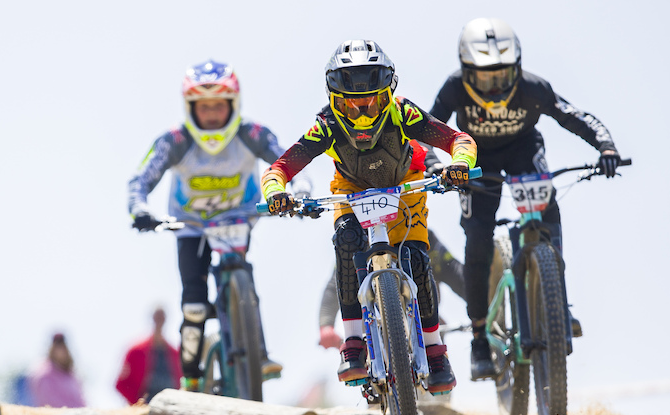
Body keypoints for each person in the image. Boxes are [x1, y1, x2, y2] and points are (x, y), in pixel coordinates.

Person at [263, 40, 476, 394]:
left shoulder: (403, 112)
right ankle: (353, 344)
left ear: (387, 94)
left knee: (417, 258)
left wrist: (459, 164)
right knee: (347, 245)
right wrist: (276, 194)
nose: (363, 112)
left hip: (404, 184)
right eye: (352, 102)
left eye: (372, 100)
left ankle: (436, 350)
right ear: (335, 98)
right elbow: (280, 168)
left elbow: (459, 140)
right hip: (350, 188)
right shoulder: (326, 124)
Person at [428, 18, 622, 381]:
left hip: (522, 152)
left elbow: (574, 116)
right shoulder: (453, 88)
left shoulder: (534, 86)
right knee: (478, 240)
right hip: (474, 160)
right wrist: (439, 164)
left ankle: (556, 302)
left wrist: (606, 145)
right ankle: (479, 337)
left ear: (518, 68)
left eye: (502, 76)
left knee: (548, 212)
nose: (494, 86)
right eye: (484, 78)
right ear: (466, 72)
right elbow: (428, 128)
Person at [128, 60, 294, 392]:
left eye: (219, 105)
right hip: (190, 227)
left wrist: (297, 191)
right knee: (193, 304)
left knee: (241, 271)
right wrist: (139, 208)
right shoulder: (175, 139)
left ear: (233, 104)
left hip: (239, 218)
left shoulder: (253, 134)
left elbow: (287, 160)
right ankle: (189, 375)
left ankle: (258, 354)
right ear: (190, 108)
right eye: (204, 107)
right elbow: (141, 178)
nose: (213, 114)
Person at [318, 230, 466, 350]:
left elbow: (454, 272)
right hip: (372, 328)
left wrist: (479, 306)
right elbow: (335, 285)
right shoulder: (357, 243)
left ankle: (436, 367)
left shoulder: (420, 236)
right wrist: (326, 326)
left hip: (424, 319)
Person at [116, 307, 182, 405]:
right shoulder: (136, 351)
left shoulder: (175, 354)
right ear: (153, 318)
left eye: (161, 317)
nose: (159, 321)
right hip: (143, 407)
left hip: (170, 406)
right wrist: (137, 404)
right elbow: (121, 384)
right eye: (157, 317)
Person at [28, 333, 86, 408]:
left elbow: (81, 399)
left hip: (77, 414)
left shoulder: (71, 374)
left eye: (63, 347)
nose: (61, 351)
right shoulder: (44, 374)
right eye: (58, 347)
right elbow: (49, 402)